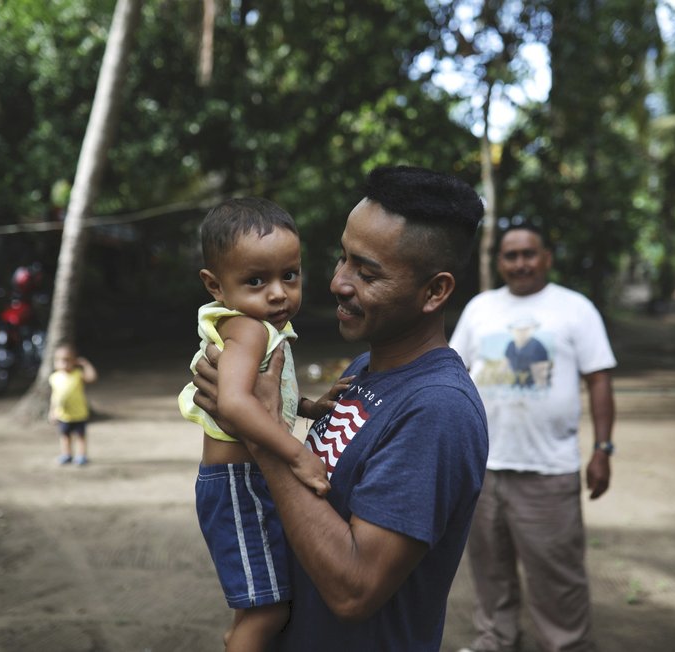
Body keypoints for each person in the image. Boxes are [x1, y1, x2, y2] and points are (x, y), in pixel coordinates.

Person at [192, 165, 490, 651]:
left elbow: (354, 590)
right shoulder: (366, 368)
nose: (337, 283)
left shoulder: (438, 410)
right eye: (342, 259)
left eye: (366, 273)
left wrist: (261, 437)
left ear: (435, 291)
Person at [177, 197, 350, 652]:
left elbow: (263, 395)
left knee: (261, 603)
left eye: (289, 275)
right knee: (268, 609)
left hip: (244, 479)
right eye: (256, 280)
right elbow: (233, 403)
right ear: (215, 285)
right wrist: (298, 455)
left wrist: (310, 407)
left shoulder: (261, 326)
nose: (278, 293)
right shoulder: (248, 329)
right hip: (239, 482)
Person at [449, 222, 617, 652]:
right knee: (489, 570)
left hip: (548, 471)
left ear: (546, 257)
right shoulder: (480, 308)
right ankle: (495, 641)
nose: (520, 263)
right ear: (499, 261)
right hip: (483, 468)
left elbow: (599, 380)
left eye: (529, 253)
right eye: (511, 255)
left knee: (557, 577)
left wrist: (602, 449)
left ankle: (567, 645)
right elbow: (453, 375)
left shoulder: (575, 308)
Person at [48, 342, 98, 466]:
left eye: (67, 360)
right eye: (59, 360)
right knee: (65, 436)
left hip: (79, 414)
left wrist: (85, 364)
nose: (63, 363)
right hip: (63, 414)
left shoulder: (77, 375)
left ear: (74, 361)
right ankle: (67, 454)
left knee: (80, 436)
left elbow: (92, 377)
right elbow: (54, 397)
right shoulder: (54, 377)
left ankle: (81, 455)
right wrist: (52, 411)